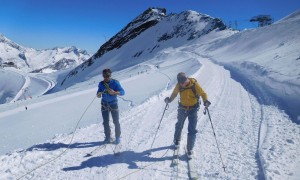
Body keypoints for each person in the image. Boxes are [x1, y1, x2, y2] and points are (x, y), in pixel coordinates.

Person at [164, 72, 211, 156]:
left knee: (192, 129)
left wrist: (205, 101)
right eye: (180, 83)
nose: (182, 84)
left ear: (186, 79)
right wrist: (169, 100)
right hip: (182, 108)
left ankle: (190, 149)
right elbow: (175, 93)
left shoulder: (194, 84)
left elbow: (203, 93)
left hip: (193, 109)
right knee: (179, 125)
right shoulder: (179, 85)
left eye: (183, 82)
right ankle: (177, 140)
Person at [97, 68, 125, 144]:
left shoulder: (115, 83)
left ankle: (118, 137)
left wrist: (115, 92)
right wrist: (98, 94)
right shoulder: (101, 84)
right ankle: (108, 137)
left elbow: (123, 92)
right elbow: (98, 92)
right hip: (104, 104)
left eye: (107, 76)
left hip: (113, 104)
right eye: (104, 76)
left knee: (116, 121)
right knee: (105, 122)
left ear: (110, 75)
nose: (106, 78)